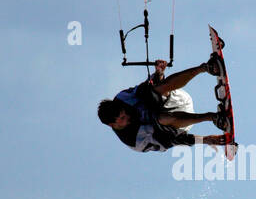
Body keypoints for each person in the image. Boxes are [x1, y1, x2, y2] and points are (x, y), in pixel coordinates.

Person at [98, 55, 229, 153]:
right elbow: (172, 140)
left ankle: (206, 68)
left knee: (150, 92)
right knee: (159, 120)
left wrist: (158, 74)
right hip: (178, 126)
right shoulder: (133, 140)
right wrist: (205, 140)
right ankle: (213, 117)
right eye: (122, 119)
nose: (127, 116)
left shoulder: (122, 98)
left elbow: (146, 88)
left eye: (123, 113)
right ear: (112, 125)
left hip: (176, 99)